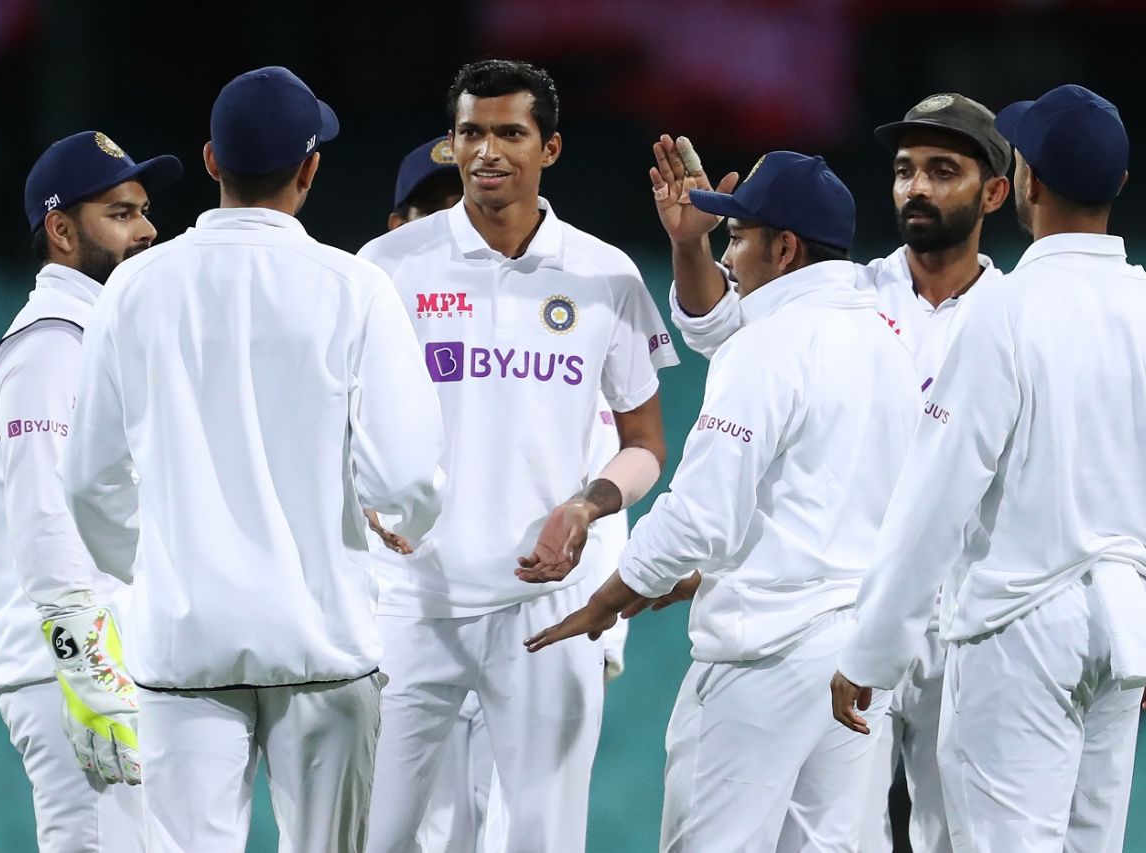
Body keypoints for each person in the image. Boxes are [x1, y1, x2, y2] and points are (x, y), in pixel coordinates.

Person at [830, 84, 1146, 853]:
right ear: (1117, 184)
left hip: (1017, 630)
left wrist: (872, 646)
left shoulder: (1004, 311)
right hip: (1127, 628)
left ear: (1025, 181)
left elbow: (937, 493)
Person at [61, 66, 445, 852]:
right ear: (310, 169)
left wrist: (155, 563)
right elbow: (406, 478)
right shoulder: (357, 287)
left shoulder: (134, 288)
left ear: (210, 161)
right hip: (323, 645)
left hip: (183, 646)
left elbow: (90, 479)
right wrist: (396, 517)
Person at [526, 152, 921, 852]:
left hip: (762, 661)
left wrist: (610, 596)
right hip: (853, 656)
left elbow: (701, 513)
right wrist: (691, 246)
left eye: (738, 238)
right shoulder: (889, 337)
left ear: (785, 247)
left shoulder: (772, 344)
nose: (730, 254)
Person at [657, 94, 1011, 853]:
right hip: (858, 610)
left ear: (994, 193)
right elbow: (724, 334)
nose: (916, 187)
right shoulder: (853, 291)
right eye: (905, 170)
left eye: (942, 171)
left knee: (965, 834)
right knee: (846, 837)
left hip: (971, 616)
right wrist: (692, 245)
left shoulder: (1019, 316)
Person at [358, 59, 676, 853]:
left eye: (509, 132)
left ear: (551, 148)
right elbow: (336, 420)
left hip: (545, 612)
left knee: (540, 839)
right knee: (380, 835)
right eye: (471, 131)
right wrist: (357, 494)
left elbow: (644, 446)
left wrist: (586, 506)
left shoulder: (606, 274)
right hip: (411, 604)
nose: (487, 150)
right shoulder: (386, 268)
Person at [0, 129, 180, 852]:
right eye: (121, 213)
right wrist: (87, 671)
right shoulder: (48, 347)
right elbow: (41, 517)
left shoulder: (95, 335)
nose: (148, 228)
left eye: (144, 209)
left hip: (121, 661)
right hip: (76, 675)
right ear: (62, 231)